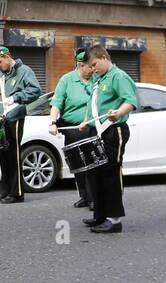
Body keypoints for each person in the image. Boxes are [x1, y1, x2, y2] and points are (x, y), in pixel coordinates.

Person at [80, 46, 138, 233]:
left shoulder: (118, 76)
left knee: (111, 173)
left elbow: (130, 101)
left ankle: (114, 220)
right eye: (90, 66)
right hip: (98, 131)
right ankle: (100, 215)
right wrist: (85, 121)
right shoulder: (99, 79)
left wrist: (118, 113)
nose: (93, 69)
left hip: (114, 130)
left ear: (104, 58)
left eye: (94, 64)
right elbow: (95, 104)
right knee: (96, 173)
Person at [0, 46, 40, 204]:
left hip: (14, 118)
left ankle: (17, 193)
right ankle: (5, 191)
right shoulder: (2, 78)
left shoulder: (24, 71)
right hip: (1, 121)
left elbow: (35, 90)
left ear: (7, 57)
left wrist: (16, 97)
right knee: (3, 156)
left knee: (13, 155)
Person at [48, 49, 95, 210]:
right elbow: (56, 103)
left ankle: (94, 197)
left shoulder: (97, 79)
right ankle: (83, 195)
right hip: (72, 129)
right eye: (90, 66)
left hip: (91, 128)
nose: (93, 69)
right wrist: (52, 122)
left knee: (91, 163)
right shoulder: (67, 80)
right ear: (81, 66)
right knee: (76, 163)